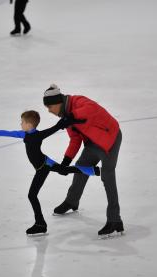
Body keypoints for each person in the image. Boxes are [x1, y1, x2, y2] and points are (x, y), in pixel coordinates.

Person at [0, 110, 100, 236]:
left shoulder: (38, 135)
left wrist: (67, 122)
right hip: (43, 164)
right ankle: (92, 170)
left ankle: (40, 224)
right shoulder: (24, 135)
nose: (20, 124)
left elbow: (55, 128)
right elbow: (6, 133)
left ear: (29, 124)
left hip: (44, 165)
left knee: (35, 193)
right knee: (62, 171)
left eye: (22, 122)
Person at [43, 84, 124, 238]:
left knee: (107, 176)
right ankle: (72, 201)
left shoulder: (77, 101)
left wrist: (71, 117)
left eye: (50, 106)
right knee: (80, 167)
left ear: (58, 102)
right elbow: (75, 139)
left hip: (109, 139)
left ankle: (115, 220)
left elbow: (91, 110)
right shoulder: (65, 115)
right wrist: (65, 162)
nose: (49, 110)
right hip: (93, 143)